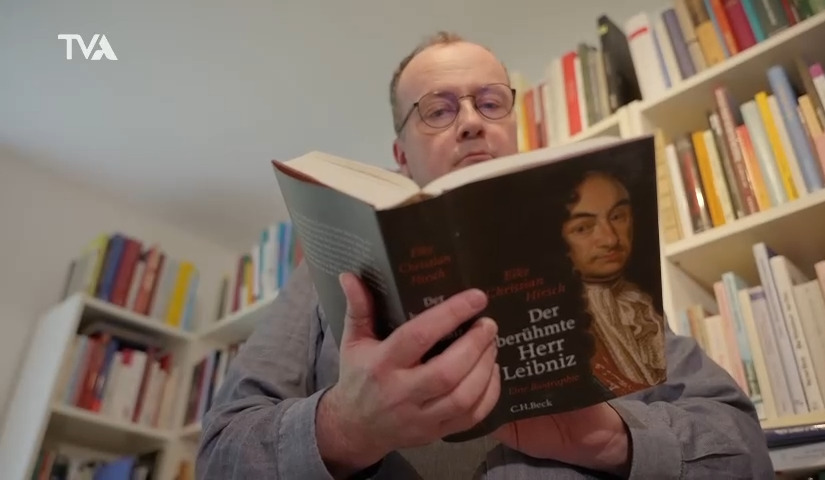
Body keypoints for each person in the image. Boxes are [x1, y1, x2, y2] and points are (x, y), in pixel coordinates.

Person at [196, 31, 774, 479]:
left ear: (514, 129)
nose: (472, 122)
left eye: (491, 102)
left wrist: (608, 438)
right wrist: (346, 427)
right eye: (438, 110)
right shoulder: (322, 278)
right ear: (401, 155)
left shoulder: (596, 268)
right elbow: (221, 454)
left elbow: (744, 450)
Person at [558, 169, 666, 397]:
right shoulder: (559, 325)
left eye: (618, 217)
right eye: (583, 228)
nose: (611, 239)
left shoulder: (645, 309)